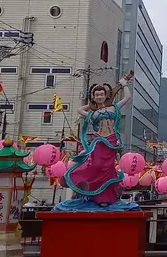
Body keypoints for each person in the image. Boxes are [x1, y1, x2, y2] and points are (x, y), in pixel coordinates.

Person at [55, 73, 135, 211]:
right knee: (96, 165)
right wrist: (91, 106)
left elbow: (127, 98)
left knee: (108, 169)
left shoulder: (114, 107)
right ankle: (86, 188)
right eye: (96, 94)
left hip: (111, 140)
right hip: (99, 140)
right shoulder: (93, 111)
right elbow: (80, 110)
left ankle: (105, 198)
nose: (99, 96)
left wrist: (124, 84)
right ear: (93, 97)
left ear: (105, 95)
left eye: (101, 94)